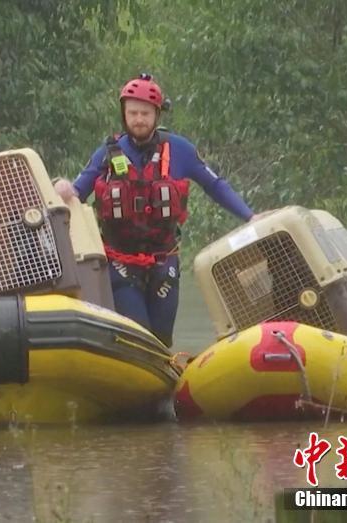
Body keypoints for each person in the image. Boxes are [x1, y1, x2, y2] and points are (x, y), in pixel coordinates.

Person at [54, 73, 255, 348]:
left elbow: (215, 185)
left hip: (164, 259)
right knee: (140, 334)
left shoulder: (180, 149)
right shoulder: (107, 152)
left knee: (161, 338)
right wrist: (63, 187)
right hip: (120, 261)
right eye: (133, 113)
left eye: (145, 113)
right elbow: (77, 190)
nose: (139, 119)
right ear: (124, 115)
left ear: (157, 115)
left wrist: (251, 216)